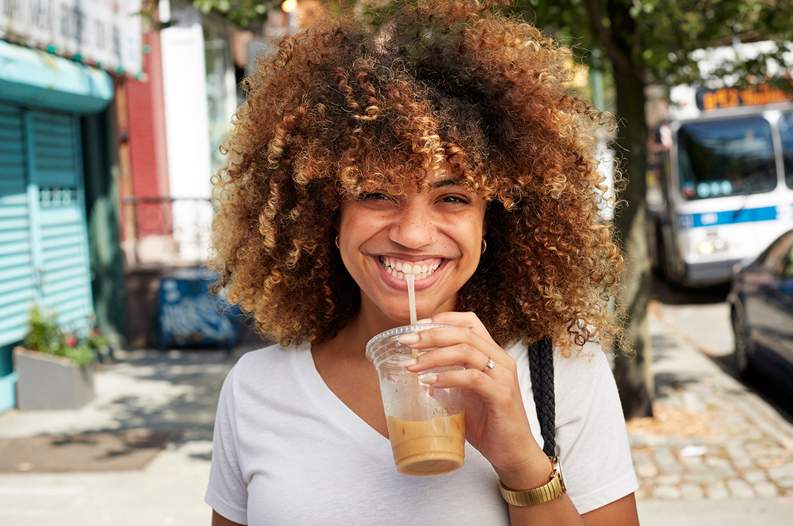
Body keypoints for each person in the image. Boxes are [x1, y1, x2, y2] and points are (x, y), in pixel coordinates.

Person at [205, 1, 640, 524]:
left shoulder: (564, 375)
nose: (412, 234)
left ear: (490, 223)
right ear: (329, 215)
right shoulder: (256, 390)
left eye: (452, 198)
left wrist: (522, 461)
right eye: (376, 194)